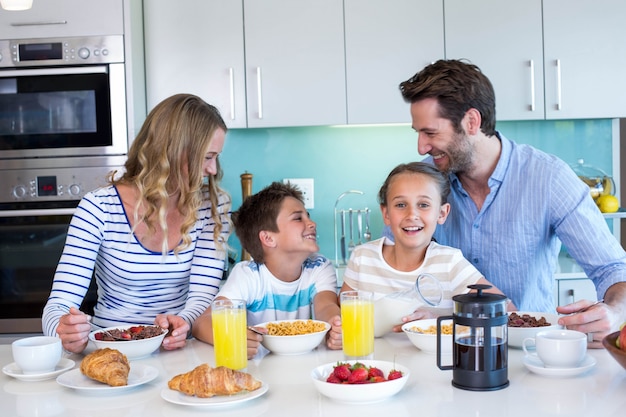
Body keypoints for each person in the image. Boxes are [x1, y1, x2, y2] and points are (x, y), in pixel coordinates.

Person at [396, 59, 626, 347]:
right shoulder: (423, 182)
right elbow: (389, 262)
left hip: (529, 350)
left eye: (430, 133)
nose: (421, 147)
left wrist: (615, 310)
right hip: (440, 350)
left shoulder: (548, 178)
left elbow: (612, 268)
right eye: (418, 133)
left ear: (471, 122)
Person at [42, 94, 231, 354]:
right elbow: (59, 304)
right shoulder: (98, 207)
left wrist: (181, 323)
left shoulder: (211, 206)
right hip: (110, 350)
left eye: (216, 157)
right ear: (174, 153)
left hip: (178, 351)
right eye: (207, 157)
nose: (213, 169)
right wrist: (62, 330)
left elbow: (202, 296)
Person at [341, 162, 514, 336]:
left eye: (423, 205)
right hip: (373, 361)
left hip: (434, 362)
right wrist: (336, 331)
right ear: (386, 214)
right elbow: (342, 316)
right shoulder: (363, 258)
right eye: (401, 205)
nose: (412, 215)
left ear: (442, 214)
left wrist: (437, 322)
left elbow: (507, 312)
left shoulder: (449, 263)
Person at [193, 182, 342, 358]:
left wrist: (335, 325)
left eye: (307, 216)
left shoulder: (319, 267)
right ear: (268, 238)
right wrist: (229, 337)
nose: (312, 223)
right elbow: (201, 322)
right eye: (298, 218)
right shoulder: (248, 275)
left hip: (305, 364)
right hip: (259, 368)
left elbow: (326, 305)